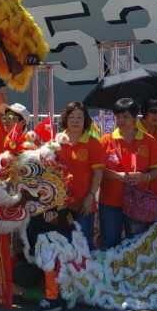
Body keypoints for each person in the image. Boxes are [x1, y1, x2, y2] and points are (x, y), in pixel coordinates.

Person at [97, 98, 157, 249]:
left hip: (138, 202)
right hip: (110, 202)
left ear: (135, 118)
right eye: (118, 116)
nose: (121, 120)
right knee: (109, 244)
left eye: (125, 116)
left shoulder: (149, 141)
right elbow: (98, 171)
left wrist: (144, 177)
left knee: (136, 246)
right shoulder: (105, 141)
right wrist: (118, 176)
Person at [55, 102, 103, 248]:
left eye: (79, 117)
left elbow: (98, 173)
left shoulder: (93, 143)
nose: (75, 121)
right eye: (72, 117)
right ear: (65, 119)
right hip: (61, 204)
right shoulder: (57, 142)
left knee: (84, 246)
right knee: (63, 246)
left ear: (85, 120)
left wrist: (91, 196)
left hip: (84, 204)